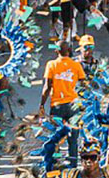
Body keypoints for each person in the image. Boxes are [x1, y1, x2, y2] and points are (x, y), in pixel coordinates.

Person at [37, 40, 86, 168]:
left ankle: (54, 165)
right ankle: (73, 167)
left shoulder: (51, 65)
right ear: (69, 50)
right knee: (73, 138)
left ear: (56, 51)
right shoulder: (76, 65)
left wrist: (42, 104)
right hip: (73, 106)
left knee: (56, 137)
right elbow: (84, 85)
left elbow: (47, 87)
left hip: (57, 106)